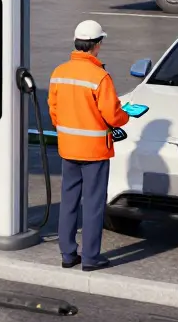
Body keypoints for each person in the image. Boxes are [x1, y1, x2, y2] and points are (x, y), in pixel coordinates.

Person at [48, 20, 130, 271]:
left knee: (69, 201)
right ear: (96, 46)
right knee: (93, 204)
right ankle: (91, 257)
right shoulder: (100, 77)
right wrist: (125, 116)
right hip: (94, 151)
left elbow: (54, 110)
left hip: (69, 148)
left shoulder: (59, 72)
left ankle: (68, 254)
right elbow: (113, 115)